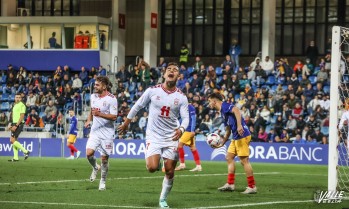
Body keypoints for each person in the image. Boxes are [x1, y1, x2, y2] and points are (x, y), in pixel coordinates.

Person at [118, 62, 189, 208]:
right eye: (169, 69)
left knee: (169, 171)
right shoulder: (152, 90)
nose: (171, 71)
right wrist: (126, 123)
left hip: (172, 136)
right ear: (164, 74)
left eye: (175, 70)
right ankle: (156, 161)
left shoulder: (181, 97)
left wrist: (181, 129)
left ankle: (163, 199)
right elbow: (137, 106)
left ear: (178, 76)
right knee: (151, 168)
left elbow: (186, 118)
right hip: (154, 136)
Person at [207, 92, 257, 194]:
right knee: (229, 157)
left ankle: (252, 186)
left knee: (244, 161)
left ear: (214, 101)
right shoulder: (222, 112)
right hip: (235, 137)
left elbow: (237, 110)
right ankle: (230, 184)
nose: (209, 104)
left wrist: (239, 125)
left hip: (242, 135)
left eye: (209, 101)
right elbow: (228, 129)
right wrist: (222, 143)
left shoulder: (225, 105)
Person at [84, 76, 118, 191]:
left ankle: (103, 181)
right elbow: (92, 110)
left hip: (107, 133)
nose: (95, 86)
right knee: (89, 153)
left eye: (97, 85)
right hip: (95, 131)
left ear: (104, 86)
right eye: (95, 84)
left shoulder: (112, 99)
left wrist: (100, 114)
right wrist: (89, 119)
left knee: (104, 159)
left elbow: (114, 116)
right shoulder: (93, 96)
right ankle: (95, 167)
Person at [175, 102, 202, 172]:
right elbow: (182, 119)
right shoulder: (183, 108)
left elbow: (193, 119)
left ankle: (182, 164)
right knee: (193, 148)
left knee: (179, 145)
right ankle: (198, 166)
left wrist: (193, 130)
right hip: (185, 129)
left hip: (189, 130)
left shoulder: (190, 107)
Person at [8, 93, 30, 162]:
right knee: (14, 140)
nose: (17, 98)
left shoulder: (22, 105)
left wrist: (16, 125)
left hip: (19, 124)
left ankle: (25, 151)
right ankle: (15, 157)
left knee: (12, 140)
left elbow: (22, 116)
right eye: (16, 97)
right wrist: (10, 124)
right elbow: (12, 115)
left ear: (21, 98)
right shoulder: (14, 105)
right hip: (14, 123)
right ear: (14, 98)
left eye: (19, 97)